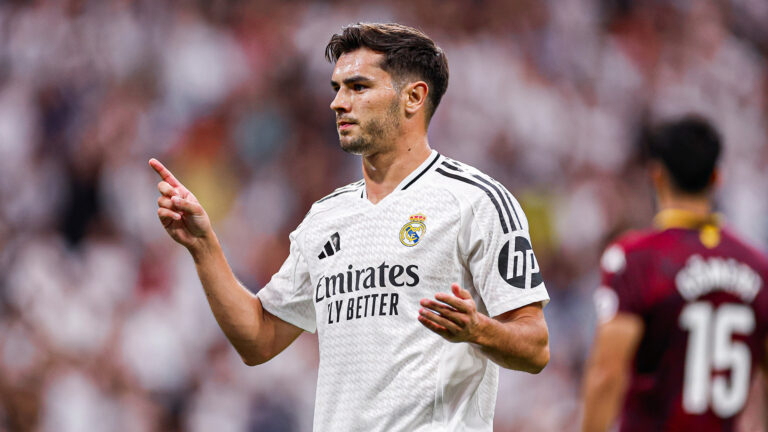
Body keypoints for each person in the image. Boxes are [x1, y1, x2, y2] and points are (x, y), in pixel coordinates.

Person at [150, 23, 550, 432]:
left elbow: (535, 346)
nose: (338, 103)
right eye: (337, 88)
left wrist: (478, 330)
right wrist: (204, 246)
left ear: (413, 97)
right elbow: (259, 339)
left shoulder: (475, 201)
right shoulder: (325, 218)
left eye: (358, 87)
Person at [582, 115, 768, 431]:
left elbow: (607, 373)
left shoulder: (638, 259)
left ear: (657, 175)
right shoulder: (757, 266)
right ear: (717, 177)